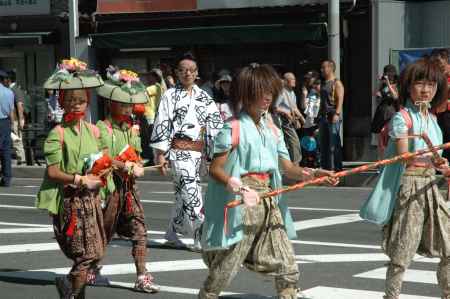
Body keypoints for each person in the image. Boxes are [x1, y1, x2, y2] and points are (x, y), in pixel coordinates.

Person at [198, 63, 338, 299]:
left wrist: (314, 174)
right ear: (245, 94)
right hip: (242, 200)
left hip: (269, 199)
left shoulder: (273, 129)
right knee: (229, 261)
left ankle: (288, 294)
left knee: (286, 263)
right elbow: (215, 169)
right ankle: (208, 295)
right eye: (260, 91)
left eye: (270, 91)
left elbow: (287, 168)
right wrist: (240, 188)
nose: (267, 97)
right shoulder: (232, 127)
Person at [363, 58, 450, 299]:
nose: (426, 89)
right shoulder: (402, 117)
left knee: (449, 248)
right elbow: (404, 155)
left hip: (431, 186)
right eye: (420, 83)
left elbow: (437, 156)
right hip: (410, 186)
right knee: (402, 253)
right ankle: (391, 296)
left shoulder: (433, 120)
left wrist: (444, 165)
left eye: (432, 85)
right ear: (408, 86)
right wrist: (432, 157)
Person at [35, 58, 107, 298]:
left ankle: (70, 286)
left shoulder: (93, 130)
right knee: (83, 254)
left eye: (82, 101)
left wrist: (106, 170)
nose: (77, 106)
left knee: (96, 252)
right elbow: (53, 172)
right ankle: (71, 289)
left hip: (92, 199)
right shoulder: (58, 134)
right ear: (62, 102)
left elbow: (101, 160)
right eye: (71, 101)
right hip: (70, 201)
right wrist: (79, 179)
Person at [95, 66, 160, 293]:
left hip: (129, 189)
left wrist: (139, 164)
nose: (127, 107)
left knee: (139, 230)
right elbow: (104, 159)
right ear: (111, 103)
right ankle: (93, 267)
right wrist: (124, 165)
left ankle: (142, 275)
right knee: (103, 231)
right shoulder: (101, 128)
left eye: (129, 103)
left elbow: (137, 155)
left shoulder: (132, 128)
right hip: (109, 189)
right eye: (122, 103)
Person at [151, 53, 223, 251]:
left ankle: (172, 233)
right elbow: (162, 122)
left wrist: (216, 153)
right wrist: (160, 153)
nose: (187, 73)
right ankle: (201, 234)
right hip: (178, 152)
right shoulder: (169, 95)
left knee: (183, 195)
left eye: (191, 70)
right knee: (192, 192)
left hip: (197, 153)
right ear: (177, 73)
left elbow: (215, 126)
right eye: (183, 70)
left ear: (197, 73)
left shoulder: (204, 97)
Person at [319, 60, 345, 171]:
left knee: (334, 144)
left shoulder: (336, 83)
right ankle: (325, 168)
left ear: (330, 68)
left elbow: (340, 99)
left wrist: (337, 114)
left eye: (324, 67)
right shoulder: (324, 83)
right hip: (323, 117)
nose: (322, 70)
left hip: (332, 115)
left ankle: (337, 168)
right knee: (324, 144)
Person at [274, 72, 304, 165]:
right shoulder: (281, 92)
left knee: (291, 143)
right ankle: (295, 164)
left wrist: (302, 119)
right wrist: (285, 112)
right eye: (292, 79)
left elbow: (294, 108)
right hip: (283, 121)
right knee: (294, 142)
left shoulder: (292, 93)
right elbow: (274, 107)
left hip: (290, 121)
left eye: (294, 79)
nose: (294, 81)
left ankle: (293, 164)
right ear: (286, 81)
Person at [5, 70, 26, 165]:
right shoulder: (10, 89)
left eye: (5, 78)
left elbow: (20, 105)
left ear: (8, 79)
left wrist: (21, 119)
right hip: (10, 119)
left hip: (15, 120)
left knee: (16, 139)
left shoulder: (15, 90)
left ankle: (21, 159)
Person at [0, 70, 14, 186]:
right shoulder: (9, 92)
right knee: (5, 151)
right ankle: (7, 178)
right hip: (5, 123)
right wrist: (13, 124)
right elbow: (11, 111)